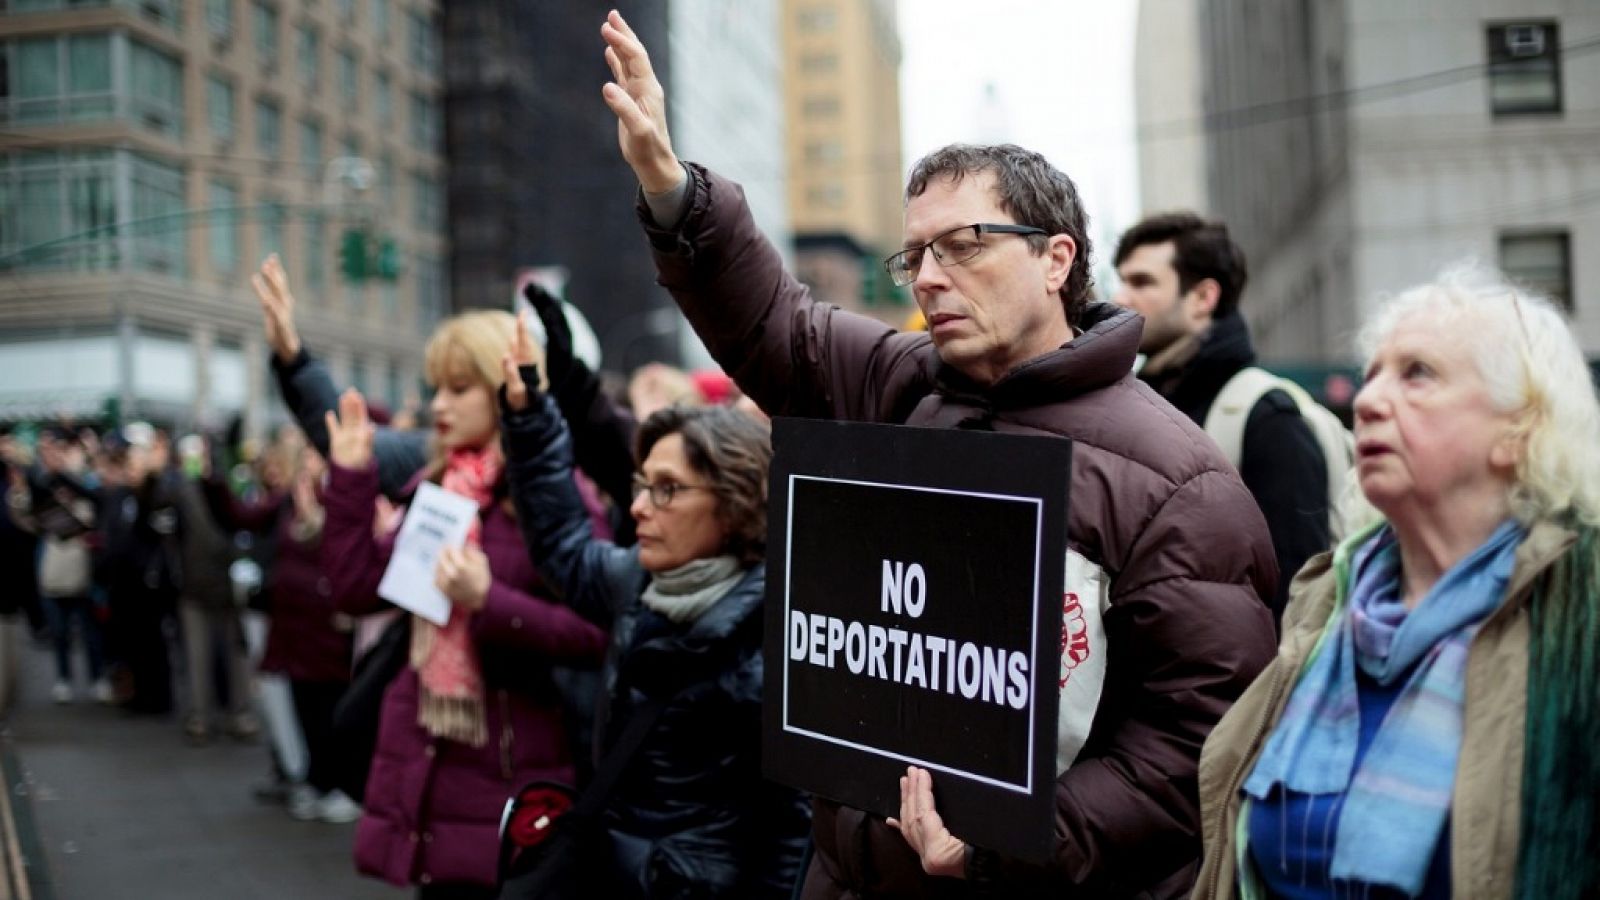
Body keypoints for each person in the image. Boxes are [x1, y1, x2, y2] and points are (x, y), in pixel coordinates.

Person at [598, 11, 1278, 897]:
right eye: (914, 254)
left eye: (964, 246)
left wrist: (997, 842)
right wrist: (671, 189)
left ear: (1055, 260)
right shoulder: (906, 385)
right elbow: (780, 326)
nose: (926, 276)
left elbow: (1193, 743)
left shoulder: (1177, 485)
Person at [1192, 264, 1600, 899]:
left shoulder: (1580, 614)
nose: (1369, 400)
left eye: (1418, 375)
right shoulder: (1326, 604)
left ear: (1519, 429)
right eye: (1373, 373)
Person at [498, 323, 811, 898]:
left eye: (666, 489)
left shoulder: (779, 639)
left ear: (736, 500)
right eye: (642, 484)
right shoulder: (637, 580)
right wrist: (529, 419)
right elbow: (562, 543)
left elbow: (793, 831)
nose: (639, 507)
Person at [320, 309, 609, 898]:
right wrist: (349, 478)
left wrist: (489, 601)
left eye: (458, 388)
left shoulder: (555, 495)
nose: (438, 406)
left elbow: (596, 632)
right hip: (430, 759)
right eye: (436, 390)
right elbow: (357, 590)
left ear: (504, 388)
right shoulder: (437, 487)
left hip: (515, 769)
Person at [1113, 213, 1330, 622]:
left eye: (1141, 282)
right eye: (1122, 280)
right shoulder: (1141, 404)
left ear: (1202, 298)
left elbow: (1299, 595)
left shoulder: (1267, 417)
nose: (1121, 297)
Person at [201, 442, 359, 823]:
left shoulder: (343, 498)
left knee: (330, 708)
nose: (307, 463)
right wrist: (214, 477)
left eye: (314, 455)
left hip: (325, 627)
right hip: (293, 624)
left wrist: (314, 517)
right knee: (303, 706)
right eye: (304, 456)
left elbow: (346, 552)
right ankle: (311, 780)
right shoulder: (289, 499)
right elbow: (244, 517)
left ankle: (337, 785)